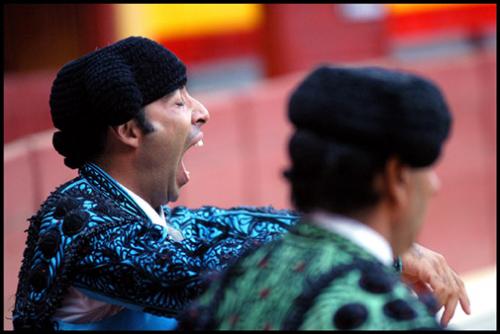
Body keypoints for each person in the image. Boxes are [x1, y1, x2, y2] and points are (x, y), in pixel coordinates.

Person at [12, 37, 468, 330]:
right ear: (129, 131)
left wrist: (382, 243)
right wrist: (378, 249)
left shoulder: (121, 209)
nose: (200, 111)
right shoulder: (86, 224)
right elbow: (205, 274)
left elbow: (229, 227)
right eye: (177, 102)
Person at [178, 65, 467, 330]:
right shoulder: (390, 316)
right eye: (426, 169)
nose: (434, 185)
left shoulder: (240, 275)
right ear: (397, 177)